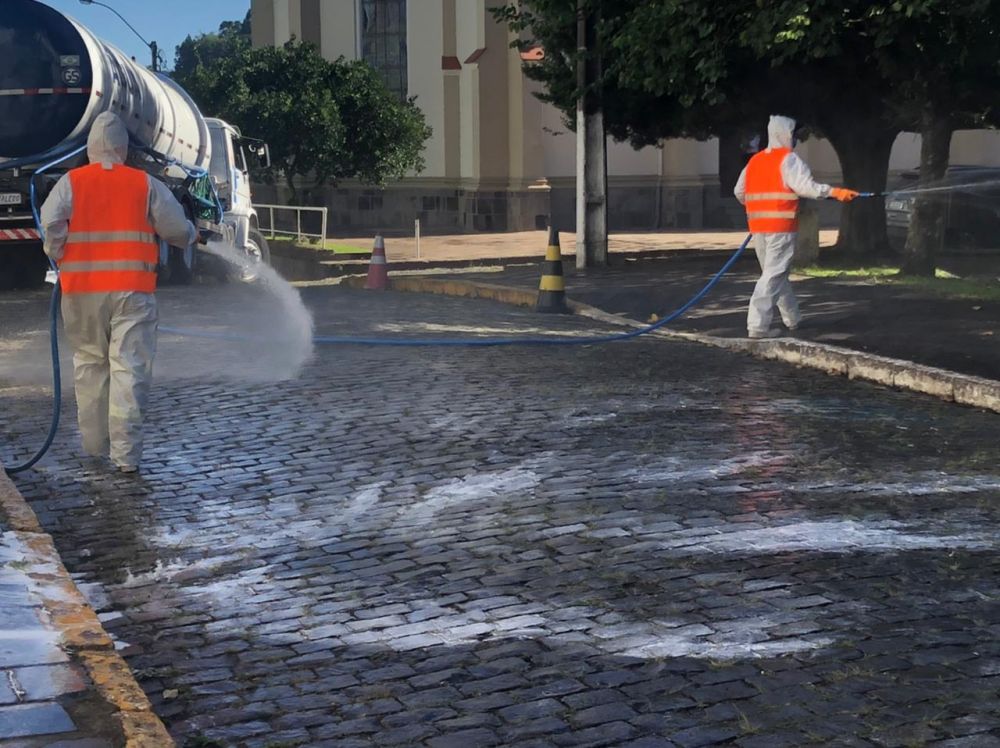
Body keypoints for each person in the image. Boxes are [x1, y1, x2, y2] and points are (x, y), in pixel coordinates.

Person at [40, 112, 196, 473]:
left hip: (81, 294)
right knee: (129, 370)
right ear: (123, 149)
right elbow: (175, 229)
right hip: (132, 294)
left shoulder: (71, 182)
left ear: (92, 147)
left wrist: (58, 251)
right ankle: (125, 459)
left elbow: (51, 222)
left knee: (90, 366)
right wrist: (190, 233)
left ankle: (94, 449)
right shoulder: (144, 184)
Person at [734, 115, 859, 338]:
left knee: (774, 274)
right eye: (793, 135)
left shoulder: (755, 161)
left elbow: (739, 192)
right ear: (784, 135)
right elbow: (806, 187)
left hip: (758, 227)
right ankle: (757, 326)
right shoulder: (788, 160)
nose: (794, 140)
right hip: (781, 226)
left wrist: (757, 206)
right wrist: (836, 193)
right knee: (774, 274)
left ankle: (792, 318)